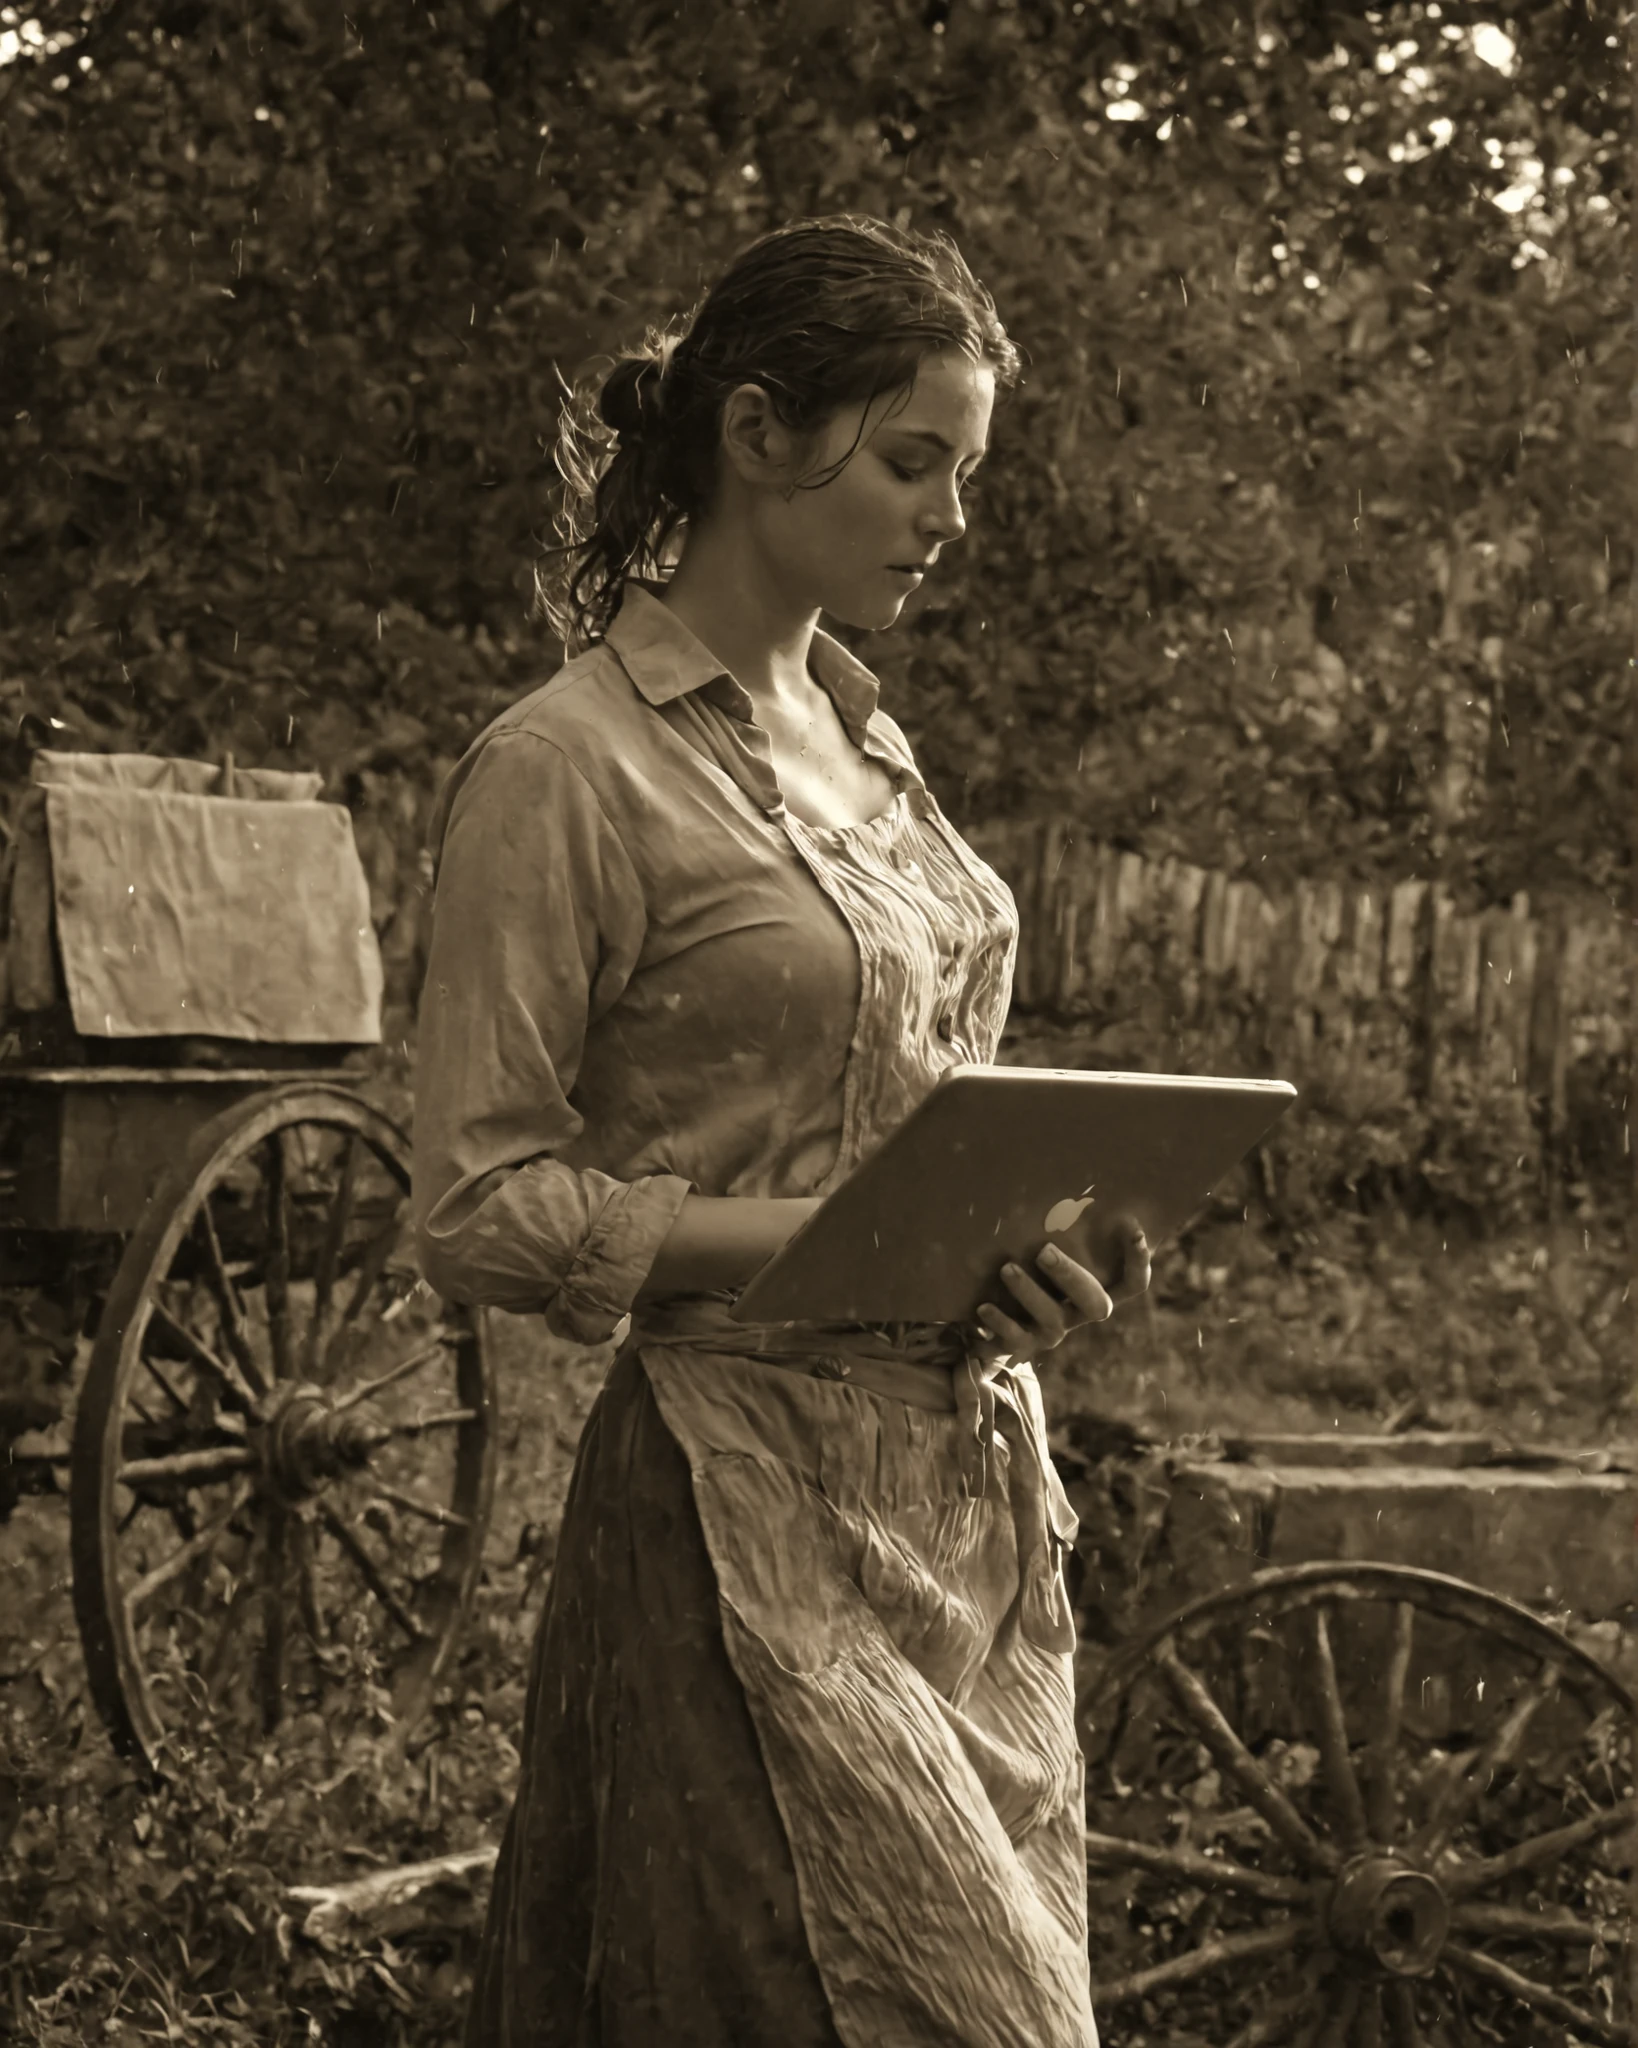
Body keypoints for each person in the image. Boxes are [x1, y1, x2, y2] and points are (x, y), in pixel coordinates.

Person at [412, 214, 1150, 2048]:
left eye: (962, 472)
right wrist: (833, 1244)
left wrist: (1025, 1273)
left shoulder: (872, 750)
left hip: (968, 1517)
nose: (949, 517)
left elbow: (914, 1111)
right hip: (731, 1501)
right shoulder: (563, 765)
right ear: (756, 432)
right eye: (913, 461)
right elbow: (476, 1202)